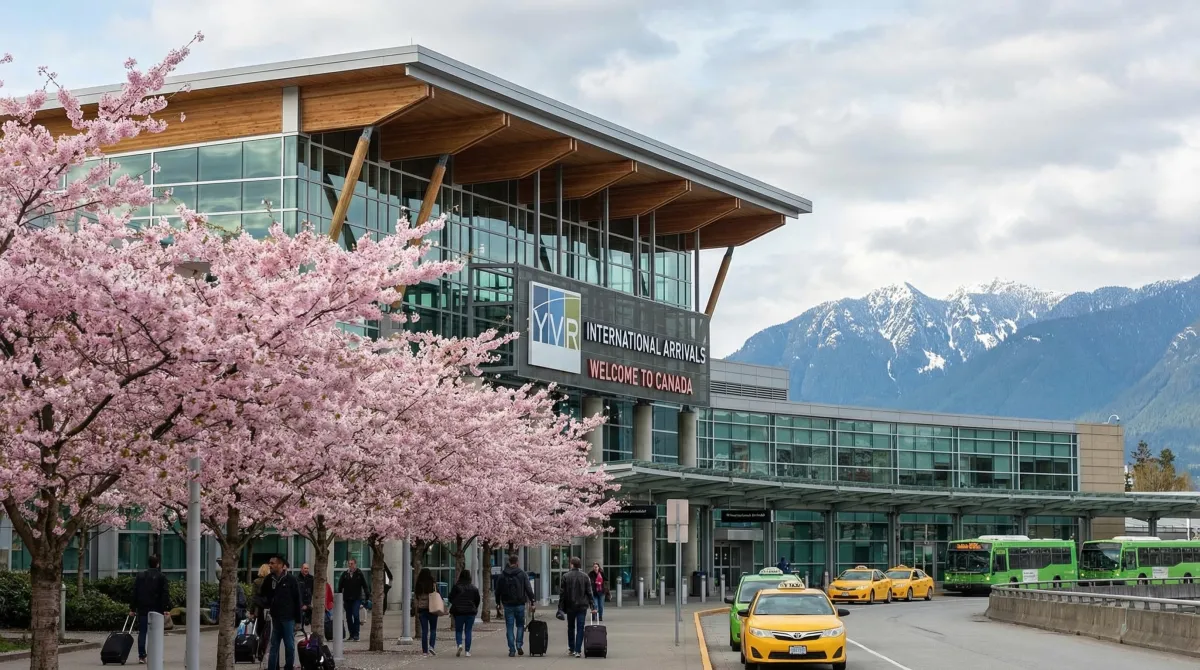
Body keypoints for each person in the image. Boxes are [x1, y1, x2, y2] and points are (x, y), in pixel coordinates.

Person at [255, 554, 304, 670]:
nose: (270, 565)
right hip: (275, 618)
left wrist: (298, 621)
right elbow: (261, 596)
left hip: (288, 619)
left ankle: (288, 667)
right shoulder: (269, 579)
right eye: (269, 563)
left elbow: (298, 601)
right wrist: (264, 605)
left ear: (281, 565)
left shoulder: (291, 580)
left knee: (289, 646)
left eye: (273, 563)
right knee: (273, 646)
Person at [128, 555, 170, 665]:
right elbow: (165, 594)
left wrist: (132, 608)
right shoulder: (162, 577)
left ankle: (142, 656)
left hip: (143, 608)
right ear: (157, 564)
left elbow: (135, 593)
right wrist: (165, 608)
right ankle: (156, 655)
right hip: (157, 609)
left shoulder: (140, 576)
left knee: (142, 632)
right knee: (156, 633)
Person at [495, 554, 536, 657]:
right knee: (520, 625)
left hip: (507, 604)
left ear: (509, 562)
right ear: (517, 562)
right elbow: (528, 588)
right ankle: (519, 645)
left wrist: (498, 603)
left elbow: (497, 591)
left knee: (509, 626)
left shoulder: (503, 575)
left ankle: (512, 649)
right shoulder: (522, 574)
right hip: (519, 604)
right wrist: (532, 601)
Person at [558, 557, 595, 658]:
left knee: (571, 627)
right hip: (582, 606)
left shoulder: (565, 576)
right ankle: (578, 650)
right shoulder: (585, 576)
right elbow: (589, 592)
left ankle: (572, 648)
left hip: (570, 606)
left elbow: (562, 593)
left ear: (572, 564)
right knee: (580, 628)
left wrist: (560, 607)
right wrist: (593, 606)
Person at [448, 569, 480, 657]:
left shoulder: (456, 587)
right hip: (470, 612)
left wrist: (455, 603)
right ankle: (467, 651)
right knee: (468, 630)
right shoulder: (473, 588)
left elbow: (450, 598)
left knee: (458, 630)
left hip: (458, 612)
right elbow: (477, 600)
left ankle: (459, 645)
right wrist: (474, 608)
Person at [337, 558, 369, 642]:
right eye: (349, 564)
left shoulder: (359, 573)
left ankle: (356, 634)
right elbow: (340, 586)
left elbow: (365, 585)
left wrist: (367, 596)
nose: (350, 565)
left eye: (352, 564)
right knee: (348, 617)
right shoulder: (345, 574)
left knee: (355, 615)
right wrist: (339, 597)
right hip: (347, 599)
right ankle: (351, 634)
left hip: (356, 598)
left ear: (355, 564)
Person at [413, 568, 440, 656]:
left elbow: (416, 597)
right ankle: (431, 646)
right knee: (433, 630)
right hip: (433, 609)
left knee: (424, 631)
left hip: (422, 609)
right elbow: (438, 594)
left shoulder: (418, 585)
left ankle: (425, 651)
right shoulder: (433, 584)